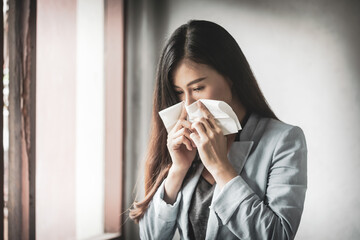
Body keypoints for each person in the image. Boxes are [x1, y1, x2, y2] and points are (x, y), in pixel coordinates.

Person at [130, 19, 307, 240]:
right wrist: (177, 169)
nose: (188, 105)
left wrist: (221, 167)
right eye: (178, 92)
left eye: (197, 88)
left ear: (231, 77)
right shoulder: (185, 144)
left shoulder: (284, 140)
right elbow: (149, 236)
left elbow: (277, 235)